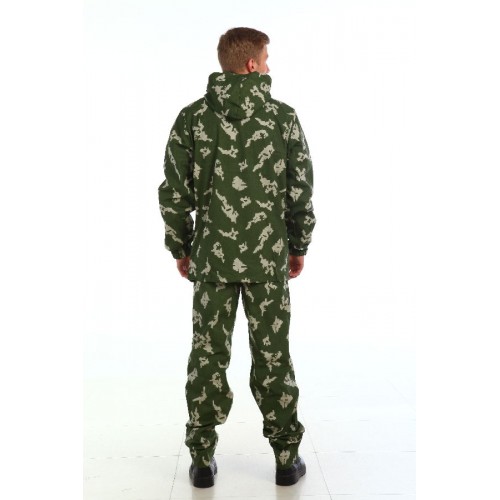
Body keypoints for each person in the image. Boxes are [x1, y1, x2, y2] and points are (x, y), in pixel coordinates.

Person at [158, 27, 316, 488]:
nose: (268, 67)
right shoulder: (283, 118)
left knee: (207, 357)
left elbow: (173, 193)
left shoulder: (192, 118)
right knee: (273, 356)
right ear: (251, 65)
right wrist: (298, 245)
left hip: (212, 260)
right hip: (268, 261)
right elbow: (300, 190)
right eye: (265, 60)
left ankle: (201, 460)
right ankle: (286, 458)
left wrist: (182, 247)